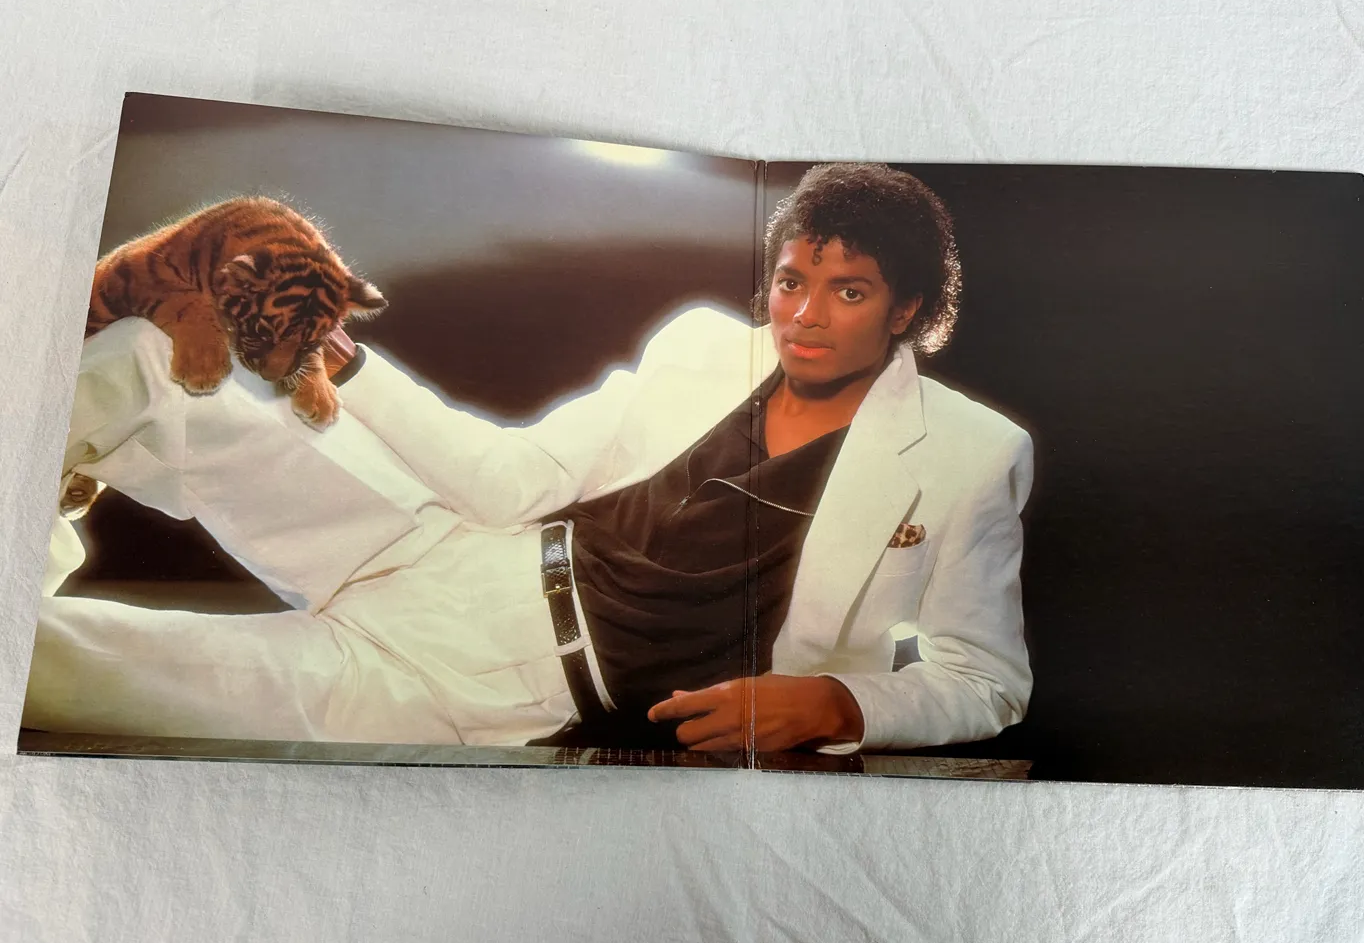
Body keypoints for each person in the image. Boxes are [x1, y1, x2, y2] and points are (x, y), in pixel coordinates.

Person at [23, 163, 1034, 754]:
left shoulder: (975, 454)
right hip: (443, 546)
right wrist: (344, 358)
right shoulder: (701, 348)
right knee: (153, 361)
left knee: (47, 672)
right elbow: (511, 481)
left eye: (847, 292)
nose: (803, 316)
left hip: (478, 699)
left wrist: (840, 701)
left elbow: (983, 678)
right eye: (790, 281)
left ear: (907, 309)